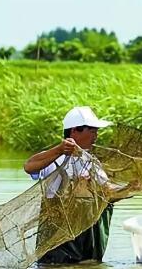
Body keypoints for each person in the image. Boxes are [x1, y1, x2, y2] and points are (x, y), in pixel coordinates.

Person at [24, 106, 114, 264]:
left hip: (87, 235)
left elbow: (108, 190)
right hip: (57, 238)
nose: (96, 136)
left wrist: (130, 188)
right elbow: (29, 166)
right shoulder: (55, 159)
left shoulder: (91, 162)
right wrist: (59, 149)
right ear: (75, 132)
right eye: (92, 131)